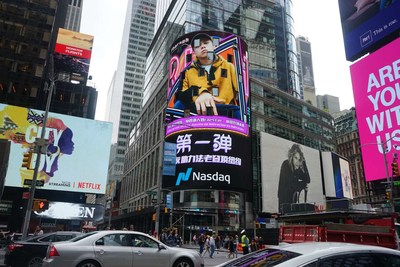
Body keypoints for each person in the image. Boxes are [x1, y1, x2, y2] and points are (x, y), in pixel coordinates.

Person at [174, 33, 239, 118]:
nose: (203, 46)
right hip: (198, 108)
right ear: (194, 51)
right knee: (178, 105)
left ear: (213, 46)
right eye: (198, 45)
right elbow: (181, 95)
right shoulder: (187, 71)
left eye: (206, 43)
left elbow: (239, 91)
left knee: (240, 113)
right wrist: (201, 92)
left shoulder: (229, 66)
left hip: (223, 108)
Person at [277, 144, 310, 211]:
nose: (297, 161)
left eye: (299, 159)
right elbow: (291, 184)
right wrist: (303, 184)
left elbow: (308, 179)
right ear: (292, 156)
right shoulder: (286, 164)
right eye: (295, 158)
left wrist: (304, 162)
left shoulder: (297, 169)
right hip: (284, 201)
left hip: (293, 200)